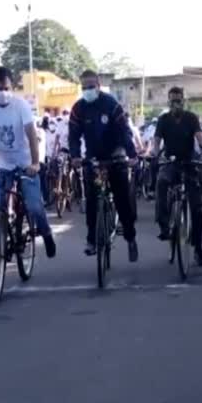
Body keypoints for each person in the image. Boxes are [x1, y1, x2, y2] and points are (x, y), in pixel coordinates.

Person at [0, 66, 56, 258]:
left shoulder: (21, 105)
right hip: (2, 164)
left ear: (12, 87)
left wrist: (35, 163)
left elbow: (32, 135)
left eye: (6, 88)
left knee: (33, 205)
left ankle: (46, 233)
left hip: (25, 163)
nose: (3, 93)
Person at [69, 70, 139, 262]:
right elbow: (73, 136)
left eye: (91, 86)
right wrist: (75, 156)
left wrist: (131, 154)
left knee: (122, 199)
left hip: (115, 156)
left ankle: (130, 237)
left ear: (99, 86)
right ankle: (92, 239)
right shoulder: (78, 109)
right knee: (92, 198)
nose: (88, 90)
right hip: (93, 159)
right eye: (84, 87)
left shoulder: (111, 104)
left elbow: (125, 131)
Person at [151, 87, 202, 265]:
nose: (176, 103)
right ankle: (164, 225)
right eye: (173, 100)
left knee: (197, 207)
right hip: (170, 161)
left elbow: (199, 137)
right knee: (161, 182)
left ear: (183, 101)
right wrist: (154, 152)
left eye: (179, 100)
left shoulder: (191, 118)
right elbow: (157, 140)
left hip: (188, 162)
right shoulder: (163, 120)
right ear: (168, 102)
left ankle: (198, 248)